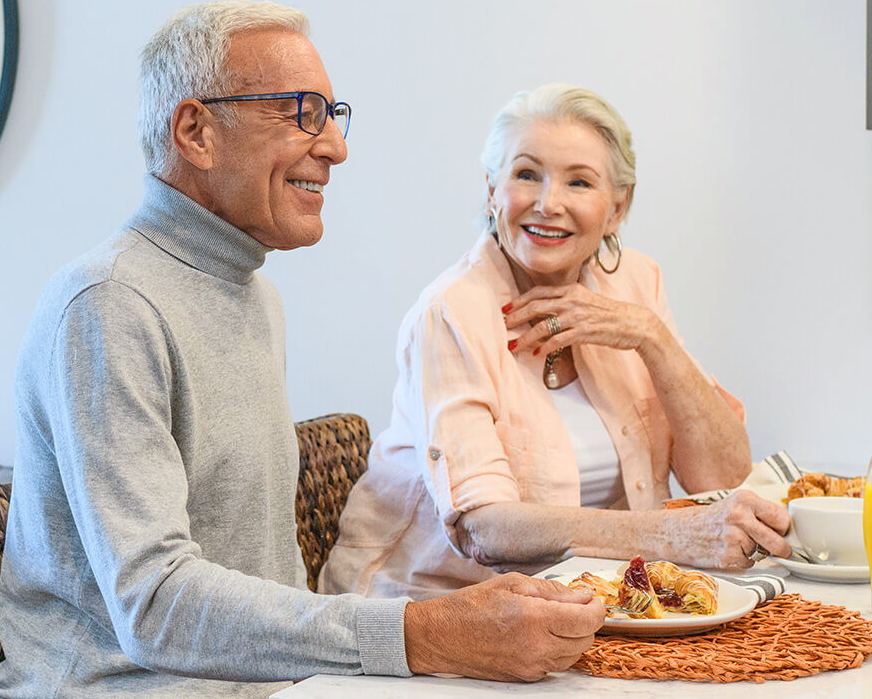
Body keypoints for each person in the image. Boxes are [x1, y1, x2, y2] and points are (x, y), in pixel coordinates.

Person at [0, 3, 606, 698]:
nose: (336, 147)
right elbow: (154, 605)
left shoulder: (253, 297)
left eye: (333, 113)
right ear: (195, 131)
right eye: (300, 112)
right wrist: (422, 633)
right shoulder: (107, 303)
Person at [319, 84, 791, 601]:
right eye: (526, 175)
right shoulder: (450, 314)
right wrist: (672, 539)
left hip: (587, 607)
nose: (548, 204)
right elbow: (486, 529)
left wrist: (650, 337)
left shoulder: (636, 283)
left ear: (617, 209)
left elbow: (723, 477)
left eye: (579, 183)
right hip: (429, 611)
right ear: (492, 190)